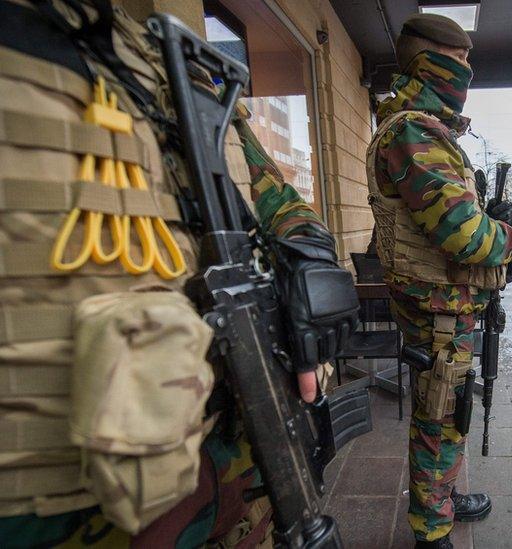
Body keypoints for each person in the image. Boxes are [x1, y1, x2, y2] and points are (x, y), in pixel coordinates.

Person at [0, 1, 357, 546]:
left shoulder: (165, 65)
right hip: (83, 512)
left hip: (241, 460)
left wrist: (308, 256)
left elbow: (279, 199)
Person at [366, 14, 512, 549]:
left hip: (442, 306)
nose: (467, 75)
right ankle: (431, 532)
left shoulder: (421, 127)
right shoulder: (413, 129)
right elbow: (466, 237)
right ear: (432, 63)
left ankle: (443, 500)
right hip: (435, 312)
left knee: (447, 411)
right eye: (460, 64)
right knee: (438, 416)